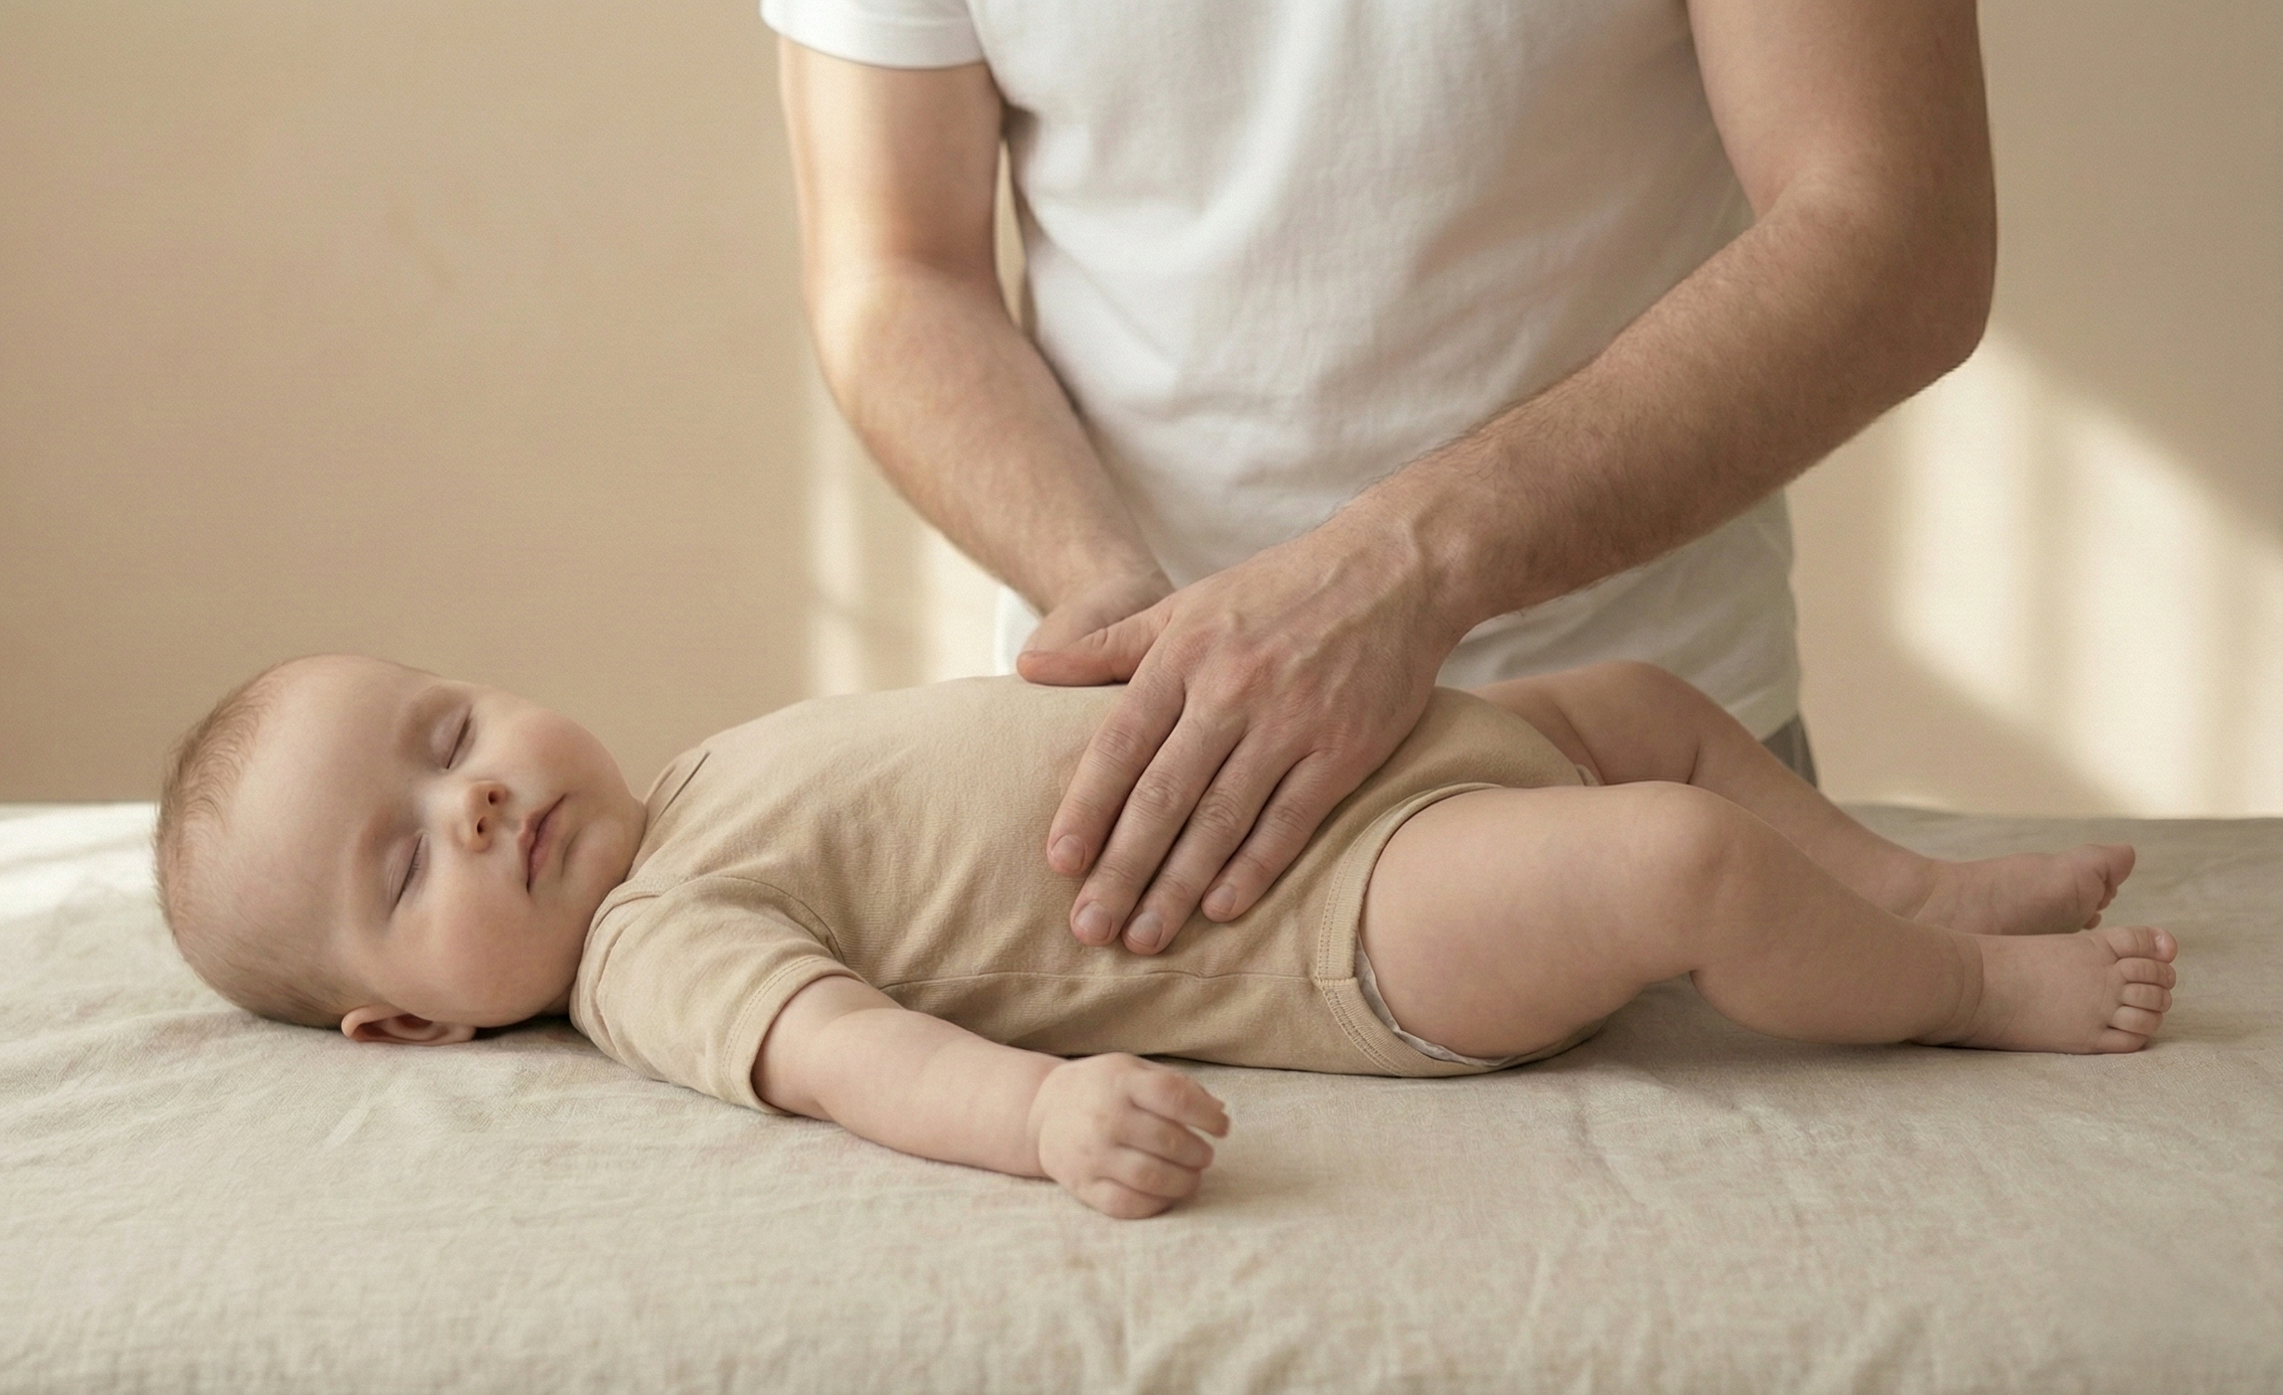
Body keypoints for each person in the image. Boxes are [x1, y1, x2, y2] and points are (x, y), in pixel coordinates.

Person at [770, 1, 1997, 961]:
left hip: (1654, 760)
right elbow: (897, 270)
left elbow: (1897, 230)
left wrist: (1397, 574)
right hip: (1157, 790)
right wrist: (1102, 587)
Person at [155, 655, 2176, 1219]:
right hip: (1338, 923)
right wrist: (1041, 1120)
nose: (480, 799)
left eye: (446, 737)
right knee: (1661, 855)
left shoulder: (697, 778)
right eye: (407, 865)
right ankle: (1962, 988)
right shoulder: (649, 950)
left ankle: (1902, 889)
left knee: (1645, 700)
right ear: (404, 1026)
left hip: (1371, 758)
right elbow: (855, 1052)